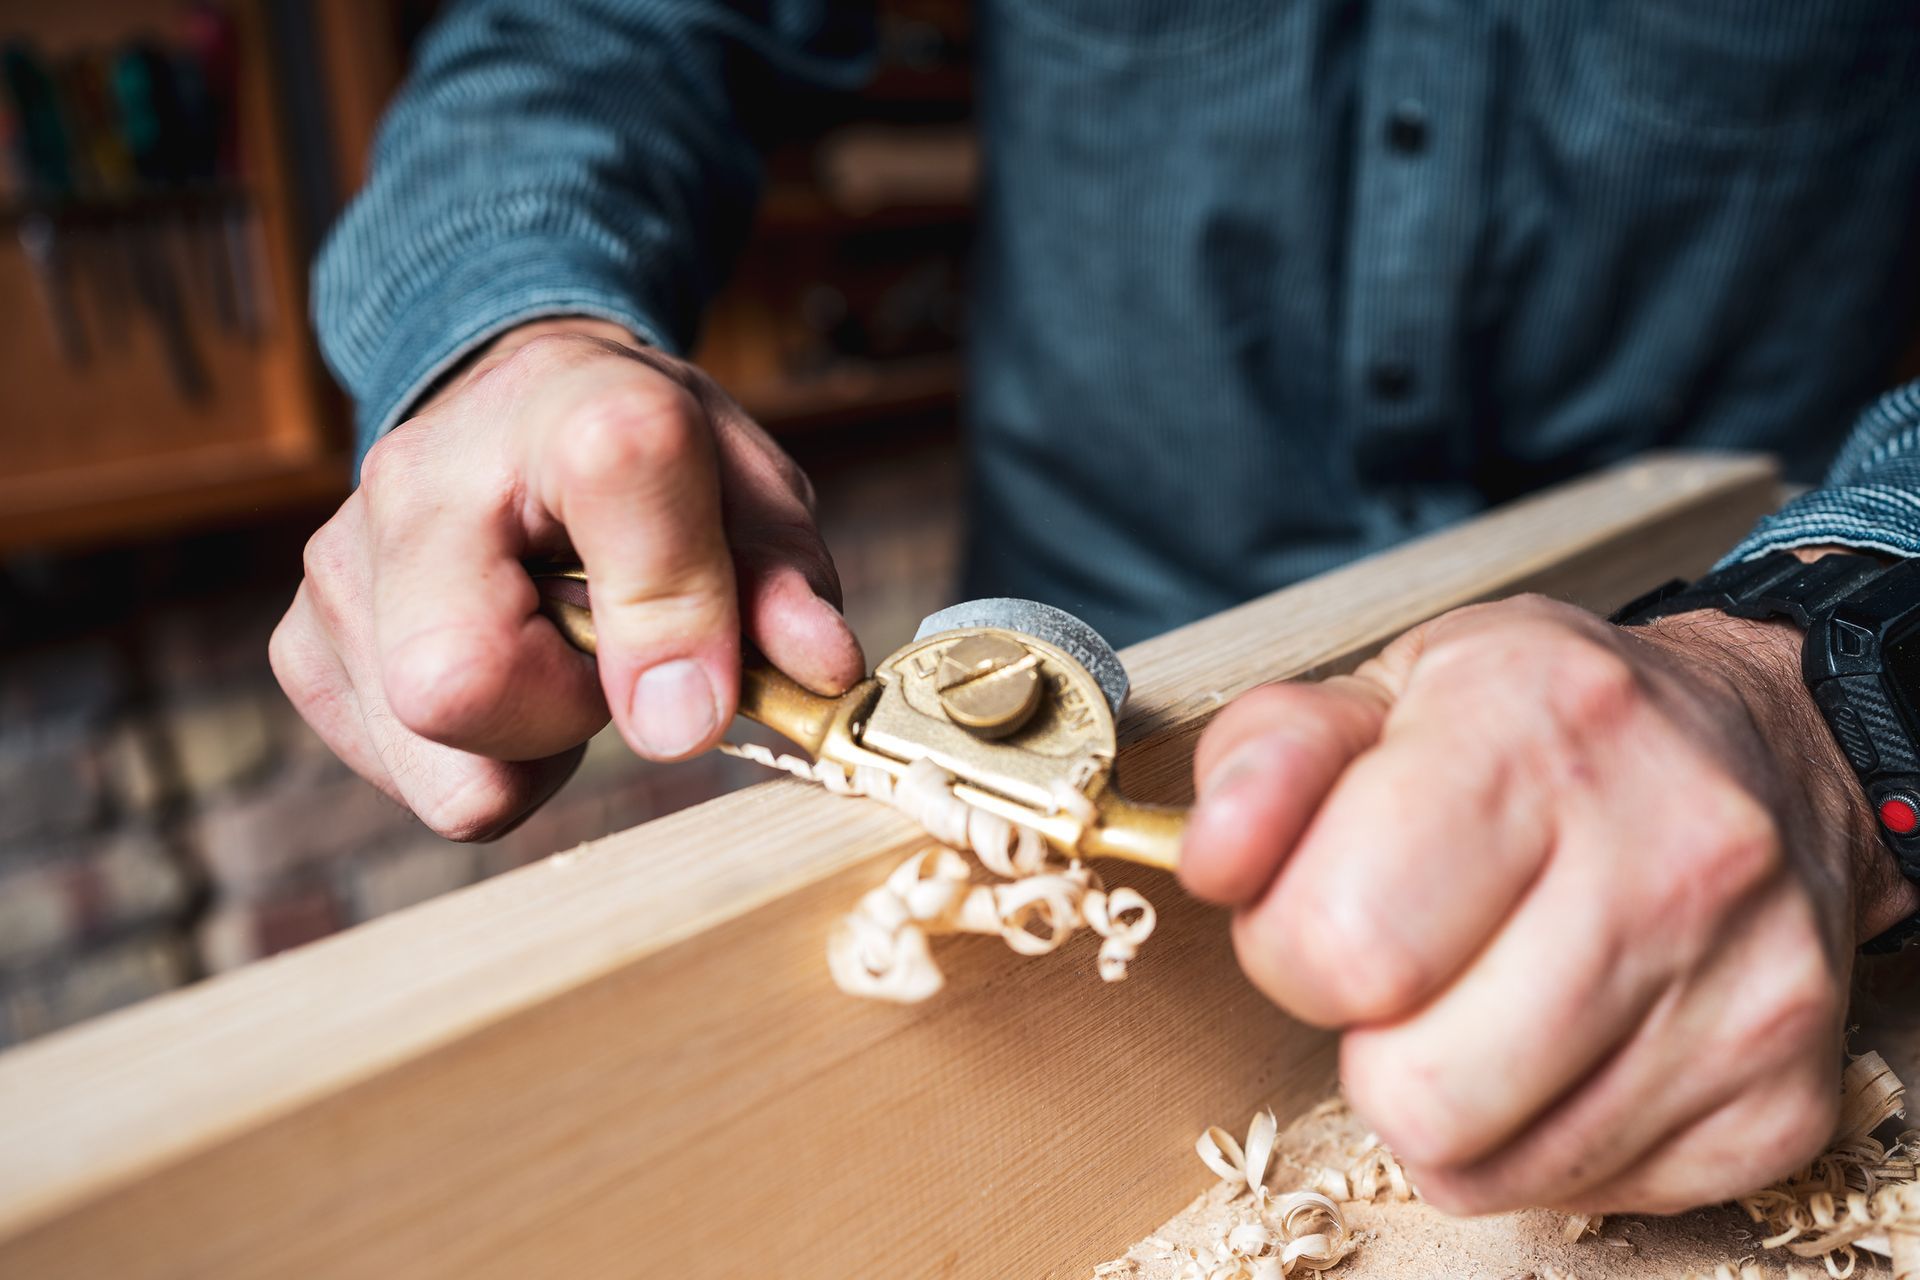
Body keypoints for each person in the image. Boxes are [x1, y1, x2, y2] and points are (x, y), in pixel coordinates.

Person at [275, 1, 1920, 1217]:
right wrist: (509, 331)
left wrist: (1811, 670)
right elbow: (600, 35)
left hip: (1734, 713)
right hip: (1113, 643)